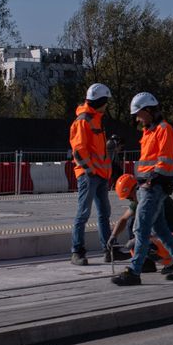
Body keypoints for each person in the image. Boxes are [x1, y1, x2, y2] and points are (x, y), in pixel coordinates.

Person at [112, 92, 173, 285]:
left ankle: (134, 271)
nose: (137, 118)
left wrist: (152, 181)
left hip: (153, 186)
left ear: (149, 110)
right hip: (146, 186)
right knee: (161, 229)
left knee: (141, 228)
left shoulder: (164, 130)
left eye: (139, 113)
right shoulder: (148, 132)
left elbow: (164, 160)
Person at [110, 174, 173, 274]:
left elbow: (145, 229)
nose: (131, 200)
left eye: (130, 198)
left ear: (135, 189)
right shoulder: (143, 199)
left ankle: (171, 263)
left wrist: (134, 242)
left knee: (144, 241)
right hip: (169, 237)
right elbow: (124, 219)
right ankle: (149, 263)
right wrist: (113, 236)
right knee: (132, 223)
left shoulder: (150, 200)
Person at [70, 83, 113, 266]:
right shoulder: (83, 120)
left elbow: (96, 150)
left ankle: (108, 249)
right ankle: (77, 251)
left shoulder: (96, 119)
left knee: (104, 213)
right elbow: (79, 151)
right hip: (89, 175)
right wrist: (89, 171)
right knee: (83, 213)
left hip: (100, 174)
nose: (107, 105)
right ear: (101, 101)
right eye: (106, 101)